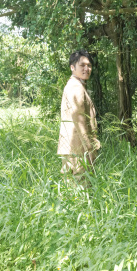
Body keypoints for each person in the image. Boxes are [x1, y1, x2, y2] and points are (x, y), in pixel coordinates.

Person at [57, 50, 100, 185]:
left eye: (89, 65)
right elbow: (79, 118)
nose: (87, 69)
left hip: (70, 147)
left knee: (70, 188)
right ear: (72, 67)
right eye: (82, 65)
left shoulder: (73, 85)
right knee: (83, 187)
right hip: (79, 148)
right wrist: (89, 147)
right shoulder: (76, 87)